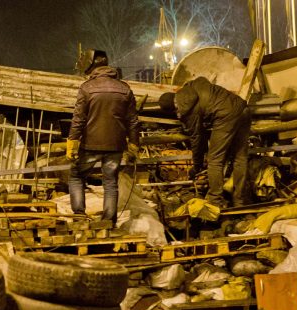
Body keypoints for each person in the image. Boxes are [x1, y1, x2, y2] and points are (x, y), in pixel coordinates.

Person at [66, 52, 139, 226]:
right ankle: (108, 220)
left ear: (91, 68)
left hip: (90, 144)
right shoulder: (125, 89)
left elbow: (78, 120)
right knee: (110, 181)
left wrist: (72, 144)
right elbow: (133, 121)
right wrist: (134, 145)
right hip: (115, 145)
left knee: (76, 176)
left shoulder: (86, 88)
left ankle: (79, 215)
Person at [159, 77, 251, 208]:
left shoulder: (186, 109)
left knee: (215, 160)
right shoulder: (192, 85)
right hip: (243, 108)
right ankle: (240, 201)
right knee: (240, 158)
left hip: (225, 116)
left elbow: (197, 139)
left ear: (173, 108)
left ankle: (215, 201)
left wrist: (197, 166)